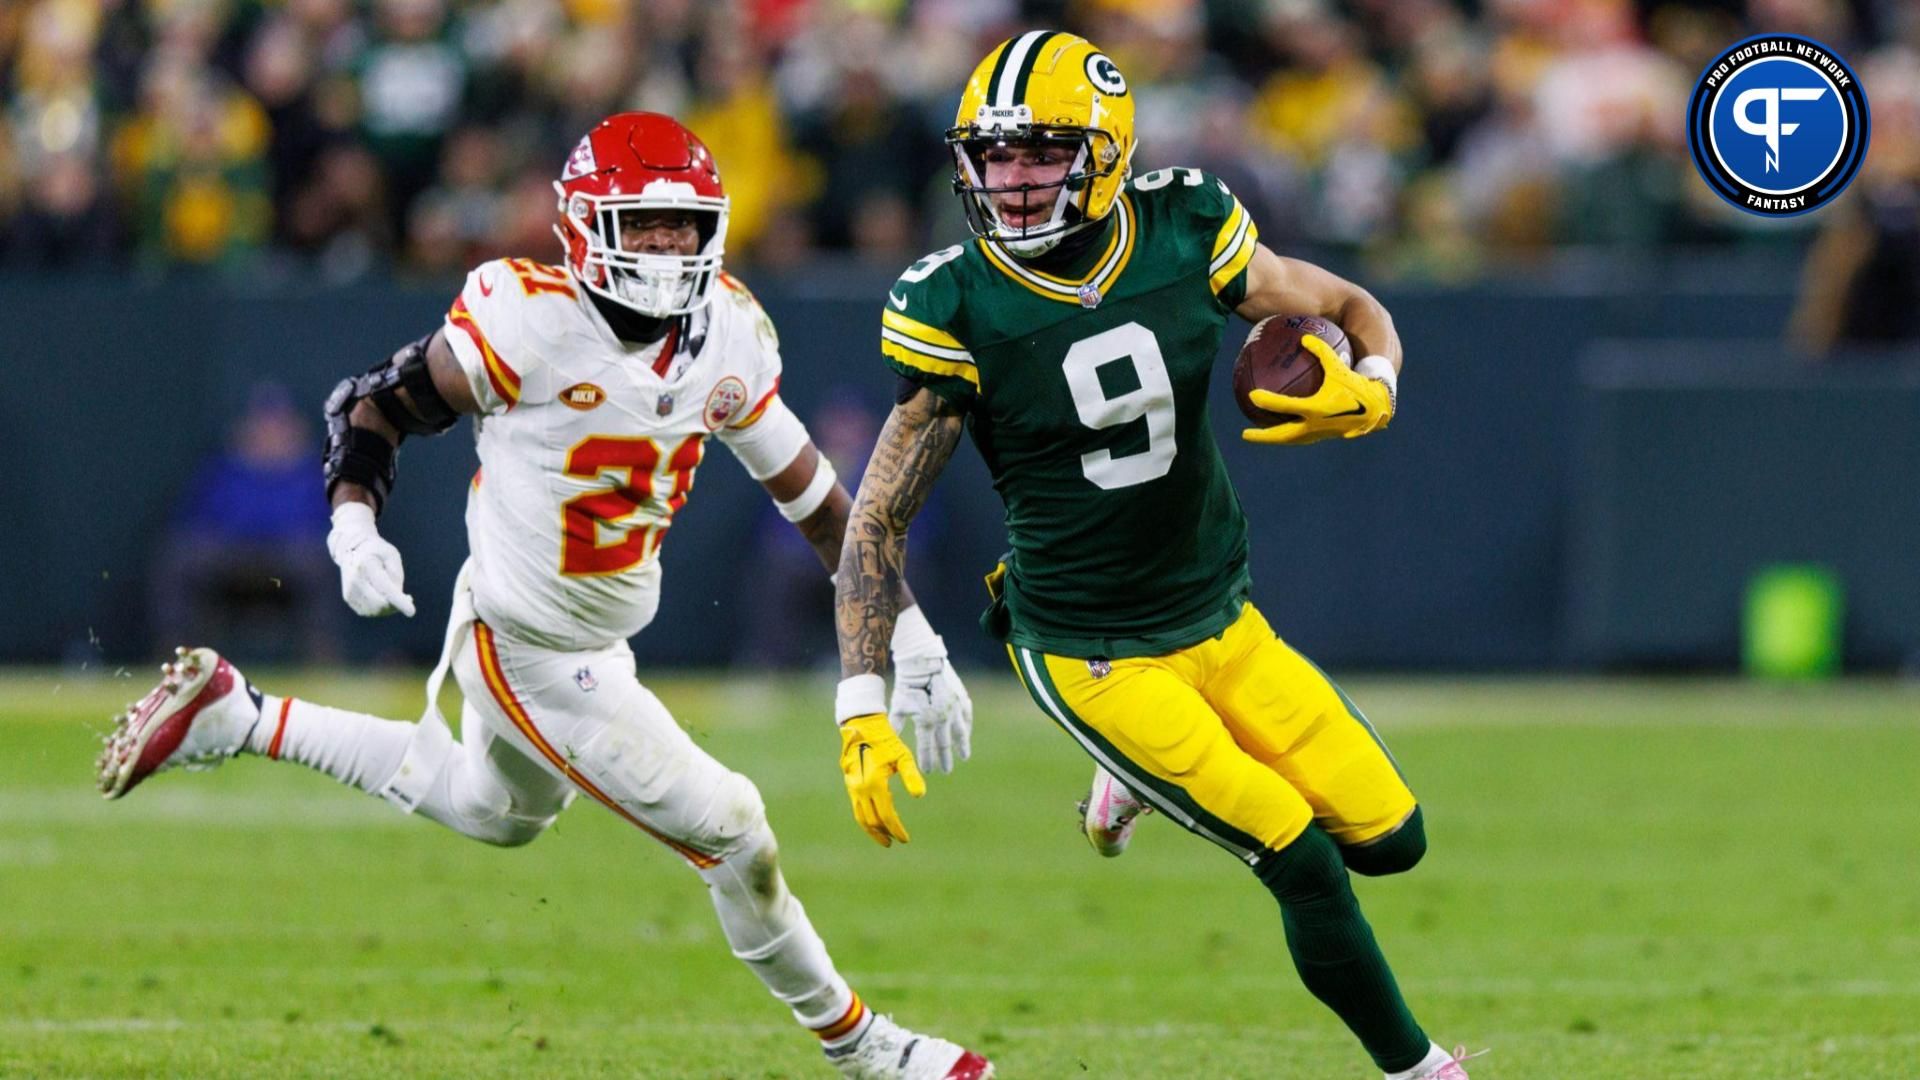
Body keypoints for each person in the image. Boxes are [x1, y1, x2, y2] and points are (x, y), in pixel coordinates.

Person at [97, 112, 990, 1080]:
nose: (665, 246)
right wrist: (352, 525)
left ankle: (241, 716)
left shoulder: (726, 332)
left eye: (682, 225)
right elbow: (371, 406)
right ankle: (866, 1047)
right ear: (584, 227)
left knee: (495, 812)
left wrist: (912, 637)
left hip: (595, 640)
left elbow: (821, 504)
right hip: (524, 642)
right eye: (641, 225)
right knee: (736, 829)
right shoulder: (526, 320)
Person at [829, 34, 1474, 1080]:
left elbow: (1355, 309)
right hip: (1091, 647)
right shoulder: (955, 302)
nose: (1015, 180)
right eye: (994, 157)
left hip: (1221, 614)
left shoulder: (1186, 229)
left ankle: (1119, 787)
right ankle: (1419, 1068)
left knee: (1395, 842)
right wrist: (862, 700)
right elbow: (874, 522)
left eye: (1042, 153)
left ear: (1107, 151)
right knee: (1299, 859)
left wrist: (1375, 385)